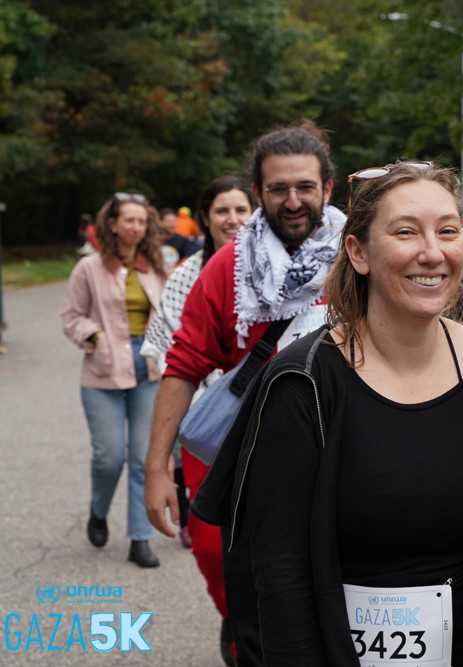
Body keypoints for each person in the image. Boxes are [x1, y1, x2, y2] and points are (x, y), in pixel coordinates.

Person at [193, 162, 463, 666]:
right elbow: (280, 572)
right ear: (358, 252)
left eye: (448, 231)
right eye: (406, 232)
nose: (432, 252)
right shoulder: (303, 383)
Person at [144, 122, 346, 665]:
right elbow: (184, 362)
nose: (293, 201)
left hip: (340, 456)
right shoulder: (227, 267)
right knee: (235, 580)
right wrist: (157, 467)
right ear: (258, 192)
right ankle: (239, 629)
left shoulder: (360, 259)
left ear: (328, 188)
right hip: (247, 459)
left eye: (305, 187)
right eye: (278, 189)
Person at [139, 175, 255, 665]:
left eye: (241, 209)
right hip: (209, 429)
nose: (233, 219)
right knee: (209, 547)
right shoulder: (188, 274)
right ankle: (233, 611)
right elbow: (171, 354)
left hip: (270, 427)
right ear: (204, 218)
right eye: (222, 211)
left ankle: (253, 632)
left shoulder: (285, 269)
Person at [60, 192, 167, 569]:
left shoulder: (156, 266)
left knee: (141, 457)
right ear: (112, 224)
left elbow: (172, 314)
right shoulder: (88, 268)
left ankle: (140, 538)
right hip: (103, 369)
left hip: (148, 369)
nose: (136, 227)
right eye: (129, 220)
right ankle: (98, 510)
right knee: (109, 457)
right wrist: (96, 336)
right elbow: (71, 316)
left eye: (142, 221)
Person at [157, 207, 198, 271]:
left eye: (174, 221)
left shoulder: (183, 241)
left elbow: (186, 260)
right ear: (160, 223)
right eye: (169, 221)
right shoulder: (153, 240)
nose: (172, 224)